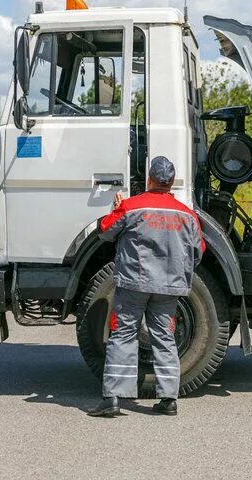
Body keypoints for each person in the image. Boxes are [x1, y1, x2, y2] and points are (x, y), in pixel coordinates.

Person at [88, 156, 205, 417]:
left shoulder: (130, 207)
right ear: (171, 183)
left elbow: (105, 231)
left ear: (150, 179)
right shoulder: (187, 215)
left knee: (124, 334)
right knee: (164, 337)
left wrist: (115, 209)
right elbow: (198, 252)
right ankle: (168, 399)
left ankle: (113, 399)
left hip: (134, 284)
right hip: (169, 287)